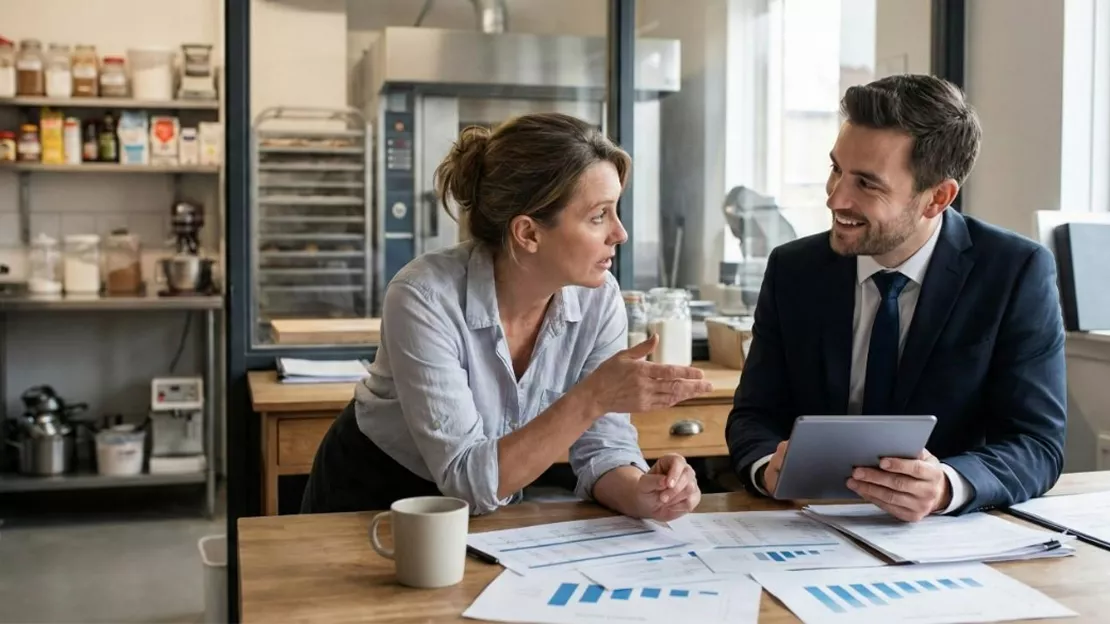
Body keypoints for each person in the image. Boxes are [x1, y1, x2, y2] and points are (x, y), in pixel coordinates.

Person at [302, 112, 713, 519]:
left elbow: (603, 450)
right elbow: (467, 480)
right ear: (528, 233)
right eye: (598, 215)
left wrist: (645, 492)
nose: (620, 233)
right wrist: (594, 396)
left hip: (494, 502)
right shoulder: (423, 296)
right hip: (374, 500)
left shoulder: (599, 300)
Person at [726, 74, 1067, 522]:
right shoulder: (794, 270)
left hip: (947, 542)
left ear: (937, 198)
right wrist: (765, 466)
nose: (835, 198)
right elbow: (755, 414)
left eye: (866, 184)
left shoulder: (1015, 273)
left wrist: (949, 484)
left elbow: (1037, 443)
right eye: (836, 170)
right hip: (807, 527)